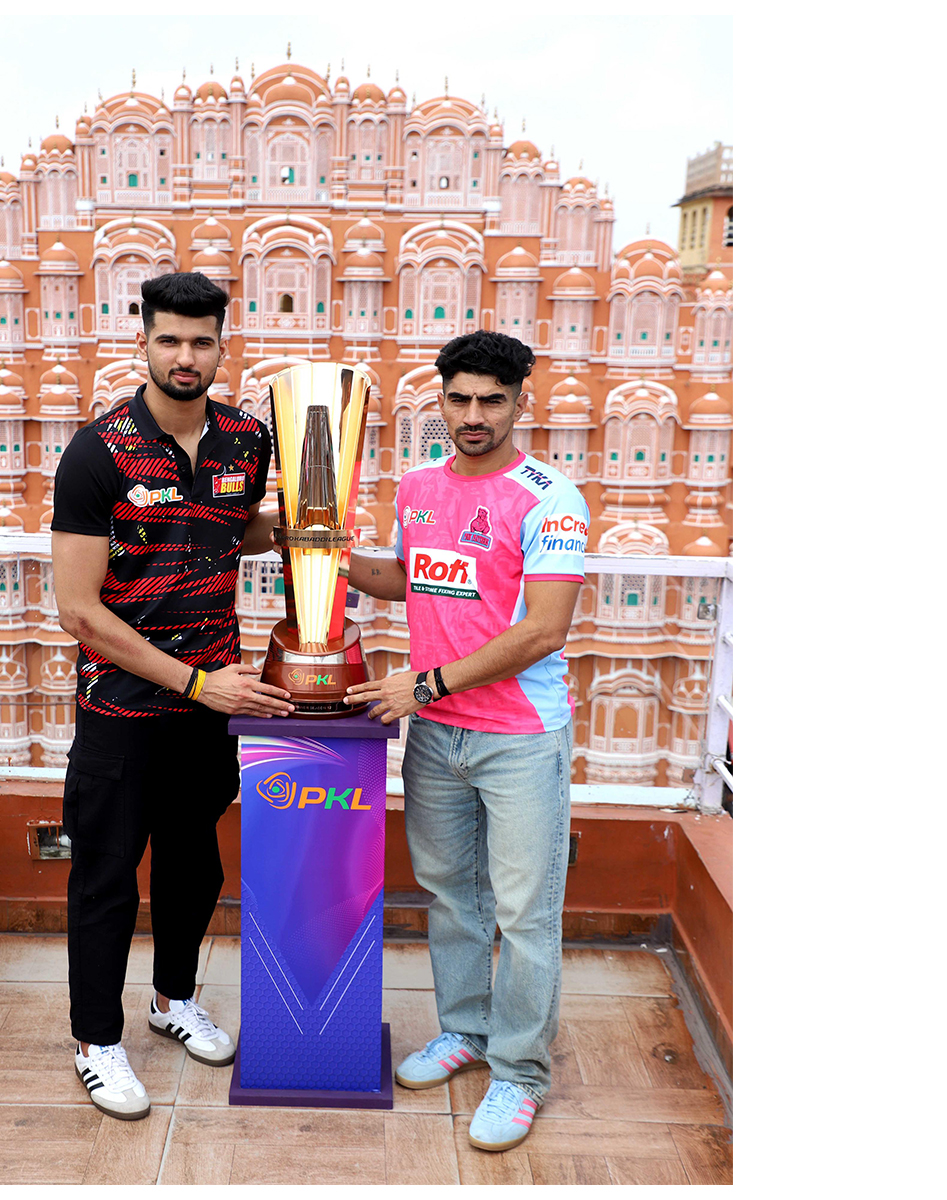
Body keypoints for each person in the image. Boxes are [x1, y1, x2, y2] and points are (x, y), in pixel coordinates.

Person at [50, 271, 294, 1120]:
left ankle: (171, 1001)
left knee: (194, 868)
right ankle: (96, 1040)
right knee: (108, 877)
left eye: (201, 342)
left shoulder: (245, 439)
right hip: (124, 708)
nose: (185, 356)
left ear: (222, 348)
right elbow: (79, 607)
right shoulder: (98, 451)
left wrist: (311, 521)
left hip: (210, 708)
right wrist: (194, 679)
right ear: (143, 343)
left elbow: (234, 523)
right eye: (169, 340)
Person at [342, 330, 588, 1152]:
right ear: (439, 400)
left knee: (523, 915)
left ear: (520, 403)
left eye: (492, 400)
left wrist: (425, 685)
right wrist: (327, 553)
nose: (474, 415)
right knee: (451, 897)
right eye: (460, 398)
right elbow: (407, 577)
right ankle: (467, 1032)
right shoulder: (418, 487)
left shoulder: (550, 495)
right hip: (437, 736)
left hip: (519, 737)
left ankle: (519, 1074)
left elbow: (545, 630)